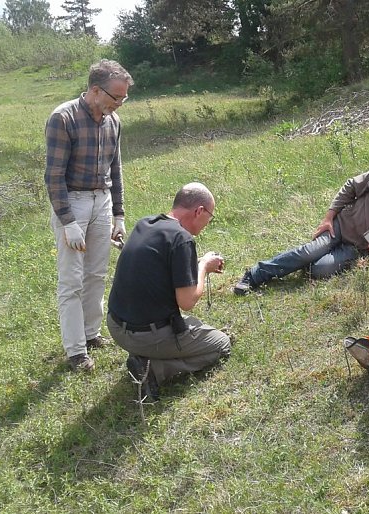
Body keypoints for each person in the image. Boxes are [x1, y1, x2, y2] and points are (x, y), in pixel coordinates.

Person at [232, 144, 369, 295]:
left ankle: (310, 261)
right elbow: (351, 186)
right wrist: (329, 217)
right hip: (342, 226)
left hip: (362, 248)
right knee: (308, 252)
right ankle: (254, 275)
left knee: (319, 269)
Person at [45, 59, 133, 372]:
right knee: (72, 280)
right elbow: (54, 175)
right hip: (74, 202)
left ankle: (90, 333)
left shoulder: (114, 122)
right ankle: (75, 351)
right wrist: (68, 222)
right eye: (115, 97)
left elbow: (116, 170)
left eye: (124, 98)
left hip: (102, 201)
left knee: (96, 274)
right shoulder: (63, 118)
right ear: (95, 90)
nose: (119, 103)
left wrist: (118, 215)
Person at [107, 182, 232, 402]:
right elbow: (187, 301)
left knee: (192, 325)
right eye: (209, 217)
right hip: (145, 335)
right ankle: (153, 369)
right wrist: (203, 268)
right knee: (221, 344)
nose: (207, 223)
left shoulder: (146, 224)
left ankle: (147, 358)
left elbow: (162, 268)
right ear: (199, 211)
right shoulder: (182, 238)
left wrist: (199, 262)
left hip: (116, 327)